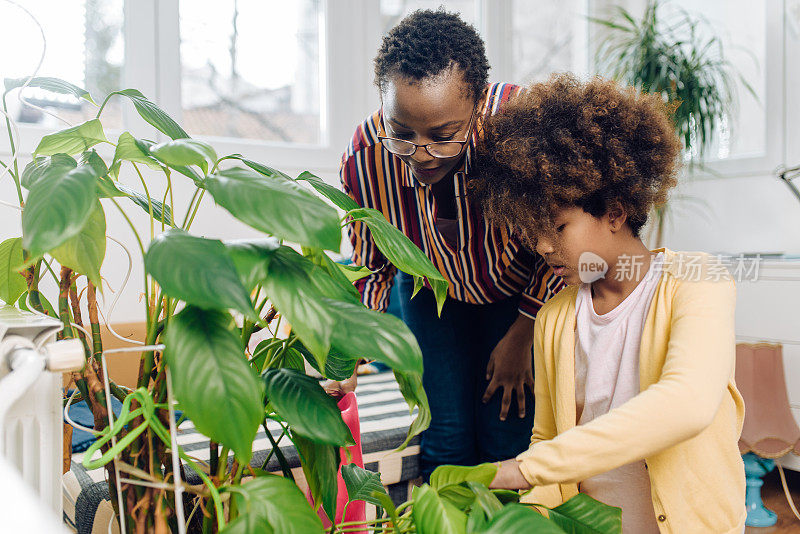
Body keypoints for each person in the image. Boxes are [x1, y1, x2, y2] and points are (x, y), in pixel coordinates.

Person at [470, 74, 746, 533]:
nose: (540, 246)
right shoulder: (555, 317)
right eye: (530, 230)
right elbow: (547, 439)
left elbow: (688, 402)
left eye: (556, 228)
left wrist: (522, 470)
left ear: (615, 212)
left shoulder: (698, 281)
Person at [333, 9, 563, 480]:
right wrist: (352, 352)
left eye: (443, 137)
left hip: (517, 294)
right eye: (402, 133)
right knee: (445, 433)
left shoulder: (520, 128)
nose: (420, 154)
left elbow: (558, 244)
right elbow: (373, 266)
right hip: (427, 293)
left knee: (506, 426)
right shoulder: (364, 160)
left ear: (477, 103)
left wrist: (521, 337)